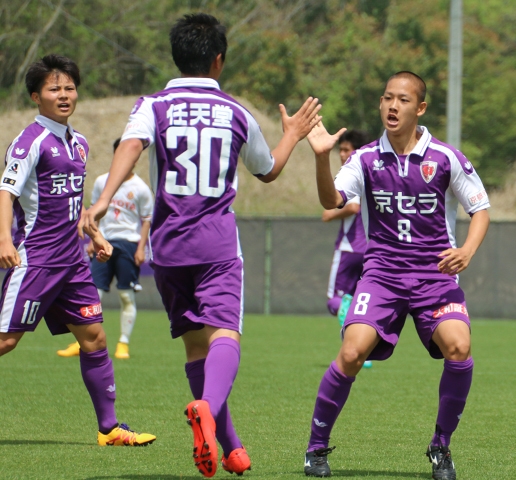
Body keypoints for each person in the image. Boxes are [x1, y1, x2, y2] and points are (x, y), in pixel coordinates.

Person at [82, 14, 322, 478]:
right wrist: (291, 134)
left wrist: (103, 200)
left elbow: (130, 148)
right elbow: (268, 169)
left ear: (177, 56)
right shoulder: (235, 112)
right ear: (218, 60)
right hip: (216, 245)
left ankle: (231, 446)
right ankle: (207, 411)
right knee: (226, 337)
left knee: (196, 348)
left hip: (168, 249)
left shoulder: (152, 106)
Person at [303, 71, 490, 479]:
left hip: (434, 277)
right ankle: (316, 449)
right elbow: (331, 200)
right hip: (382, 275)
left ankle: (441, 445)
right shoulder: (366, 159)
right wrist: (320, 156)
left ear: (419, 108)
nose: (392, 106)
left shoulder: (444, 157)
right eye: (387, 98)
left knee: (459, 348)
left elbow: (480, 209)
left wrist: (467, 251)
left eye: (403, 100)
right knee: (352, 353)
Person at [0, 54, 156, 447]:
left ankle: (110, 429)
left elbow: (75, 205)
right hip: (36, 260)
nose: (64, 94)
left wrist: (95, 233)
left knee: (95, 339)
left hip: (73, 262)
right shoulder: (29, 141)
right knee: (5, 341)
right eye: (54, 88)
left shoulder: (80, 143)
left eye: (69, 87)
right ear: (37, 96)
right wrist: (4, 239)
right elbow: (6, 191)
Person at [57, 137, 154, 360]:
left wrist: (141, 248)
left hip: (128, 245)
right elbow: (94, 213)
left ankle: (123, 343)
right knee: (92, 294)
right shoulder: (102, 182)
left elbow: (146, 220)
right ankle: (81, 342)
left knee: (126, 296)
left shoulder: (140, 188)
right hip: (104, 242)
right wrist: (93, 238)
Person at [322, 130, 372, 368]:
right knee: (363, 302)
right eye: (340, 150)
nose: (342, 154)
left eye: (346, 149)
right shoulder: (375, 170)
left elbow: (352, 207)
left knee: (335, 301)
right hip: (372, 250)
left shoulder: (352, 172)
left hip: (349, 247)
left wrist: (331, 212)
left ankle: (345, 310)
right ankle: (364, 353)